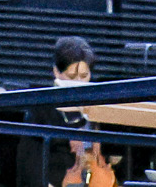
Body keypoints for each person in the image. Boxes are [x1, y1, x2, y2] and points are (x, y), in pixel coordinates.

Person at [16, 37, 96, 187]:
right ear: (56, 72)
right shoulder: (41, 109)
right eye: (72, 76)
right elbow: (29, 162)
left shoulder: (98, 102)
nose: (79, 82)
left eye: (84, 76)